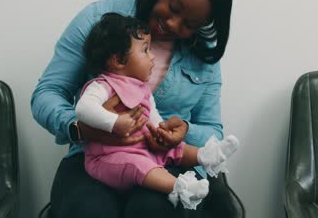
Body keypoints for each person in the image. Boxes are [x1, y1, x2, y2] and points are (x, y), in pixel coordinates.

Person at [32, 0, 234, 217]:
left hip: (166, 164)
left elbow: (212, 132)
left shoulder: (203, 55)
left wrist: (180, 131)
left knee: (153, 209)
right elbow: (48, 93)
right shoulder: (98, 19)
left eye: (190, 24)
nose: (173, 24)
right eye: (173, 8)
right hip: (95, 157)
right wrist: (84, 129)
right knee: (89, 211)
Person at [76, 13, 238, 210]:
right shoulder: (103, 85)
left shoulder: (142, 87)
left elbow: (152, 114)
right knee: (137, 164)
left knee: (175, 148)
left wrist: (161, 131)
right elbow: (84, 109)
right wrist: (115, 123)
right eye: (145, 51)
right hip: (108, 158)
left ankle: (206, 155)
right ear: (118, 61)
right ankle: (181, 187)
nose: (152, 56)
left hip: (142, 148)